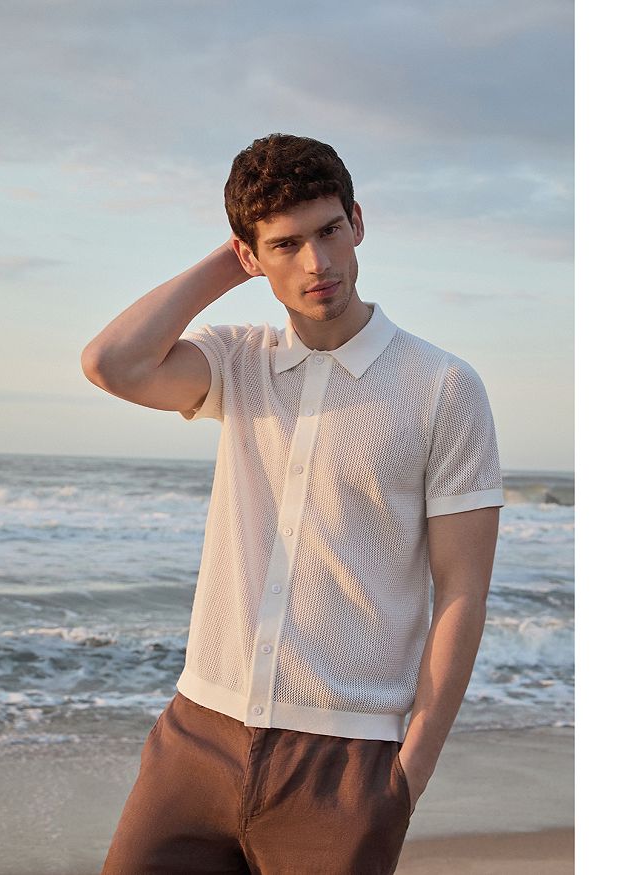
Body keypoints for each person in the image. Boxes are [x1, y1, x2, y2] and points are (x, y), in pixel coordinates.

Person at [82, 133, 504, 874]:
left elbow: (463, 590)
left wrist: (407, 778)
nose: (318, 263)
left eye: (330, 230)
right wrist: (232, 259)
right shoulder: (236, 360)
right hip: (196, 737)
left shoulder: (443, 387)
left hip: (346, 763)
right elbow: (111, 363)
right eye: (286, 244)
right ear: (251, 256)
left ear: (357, 222)